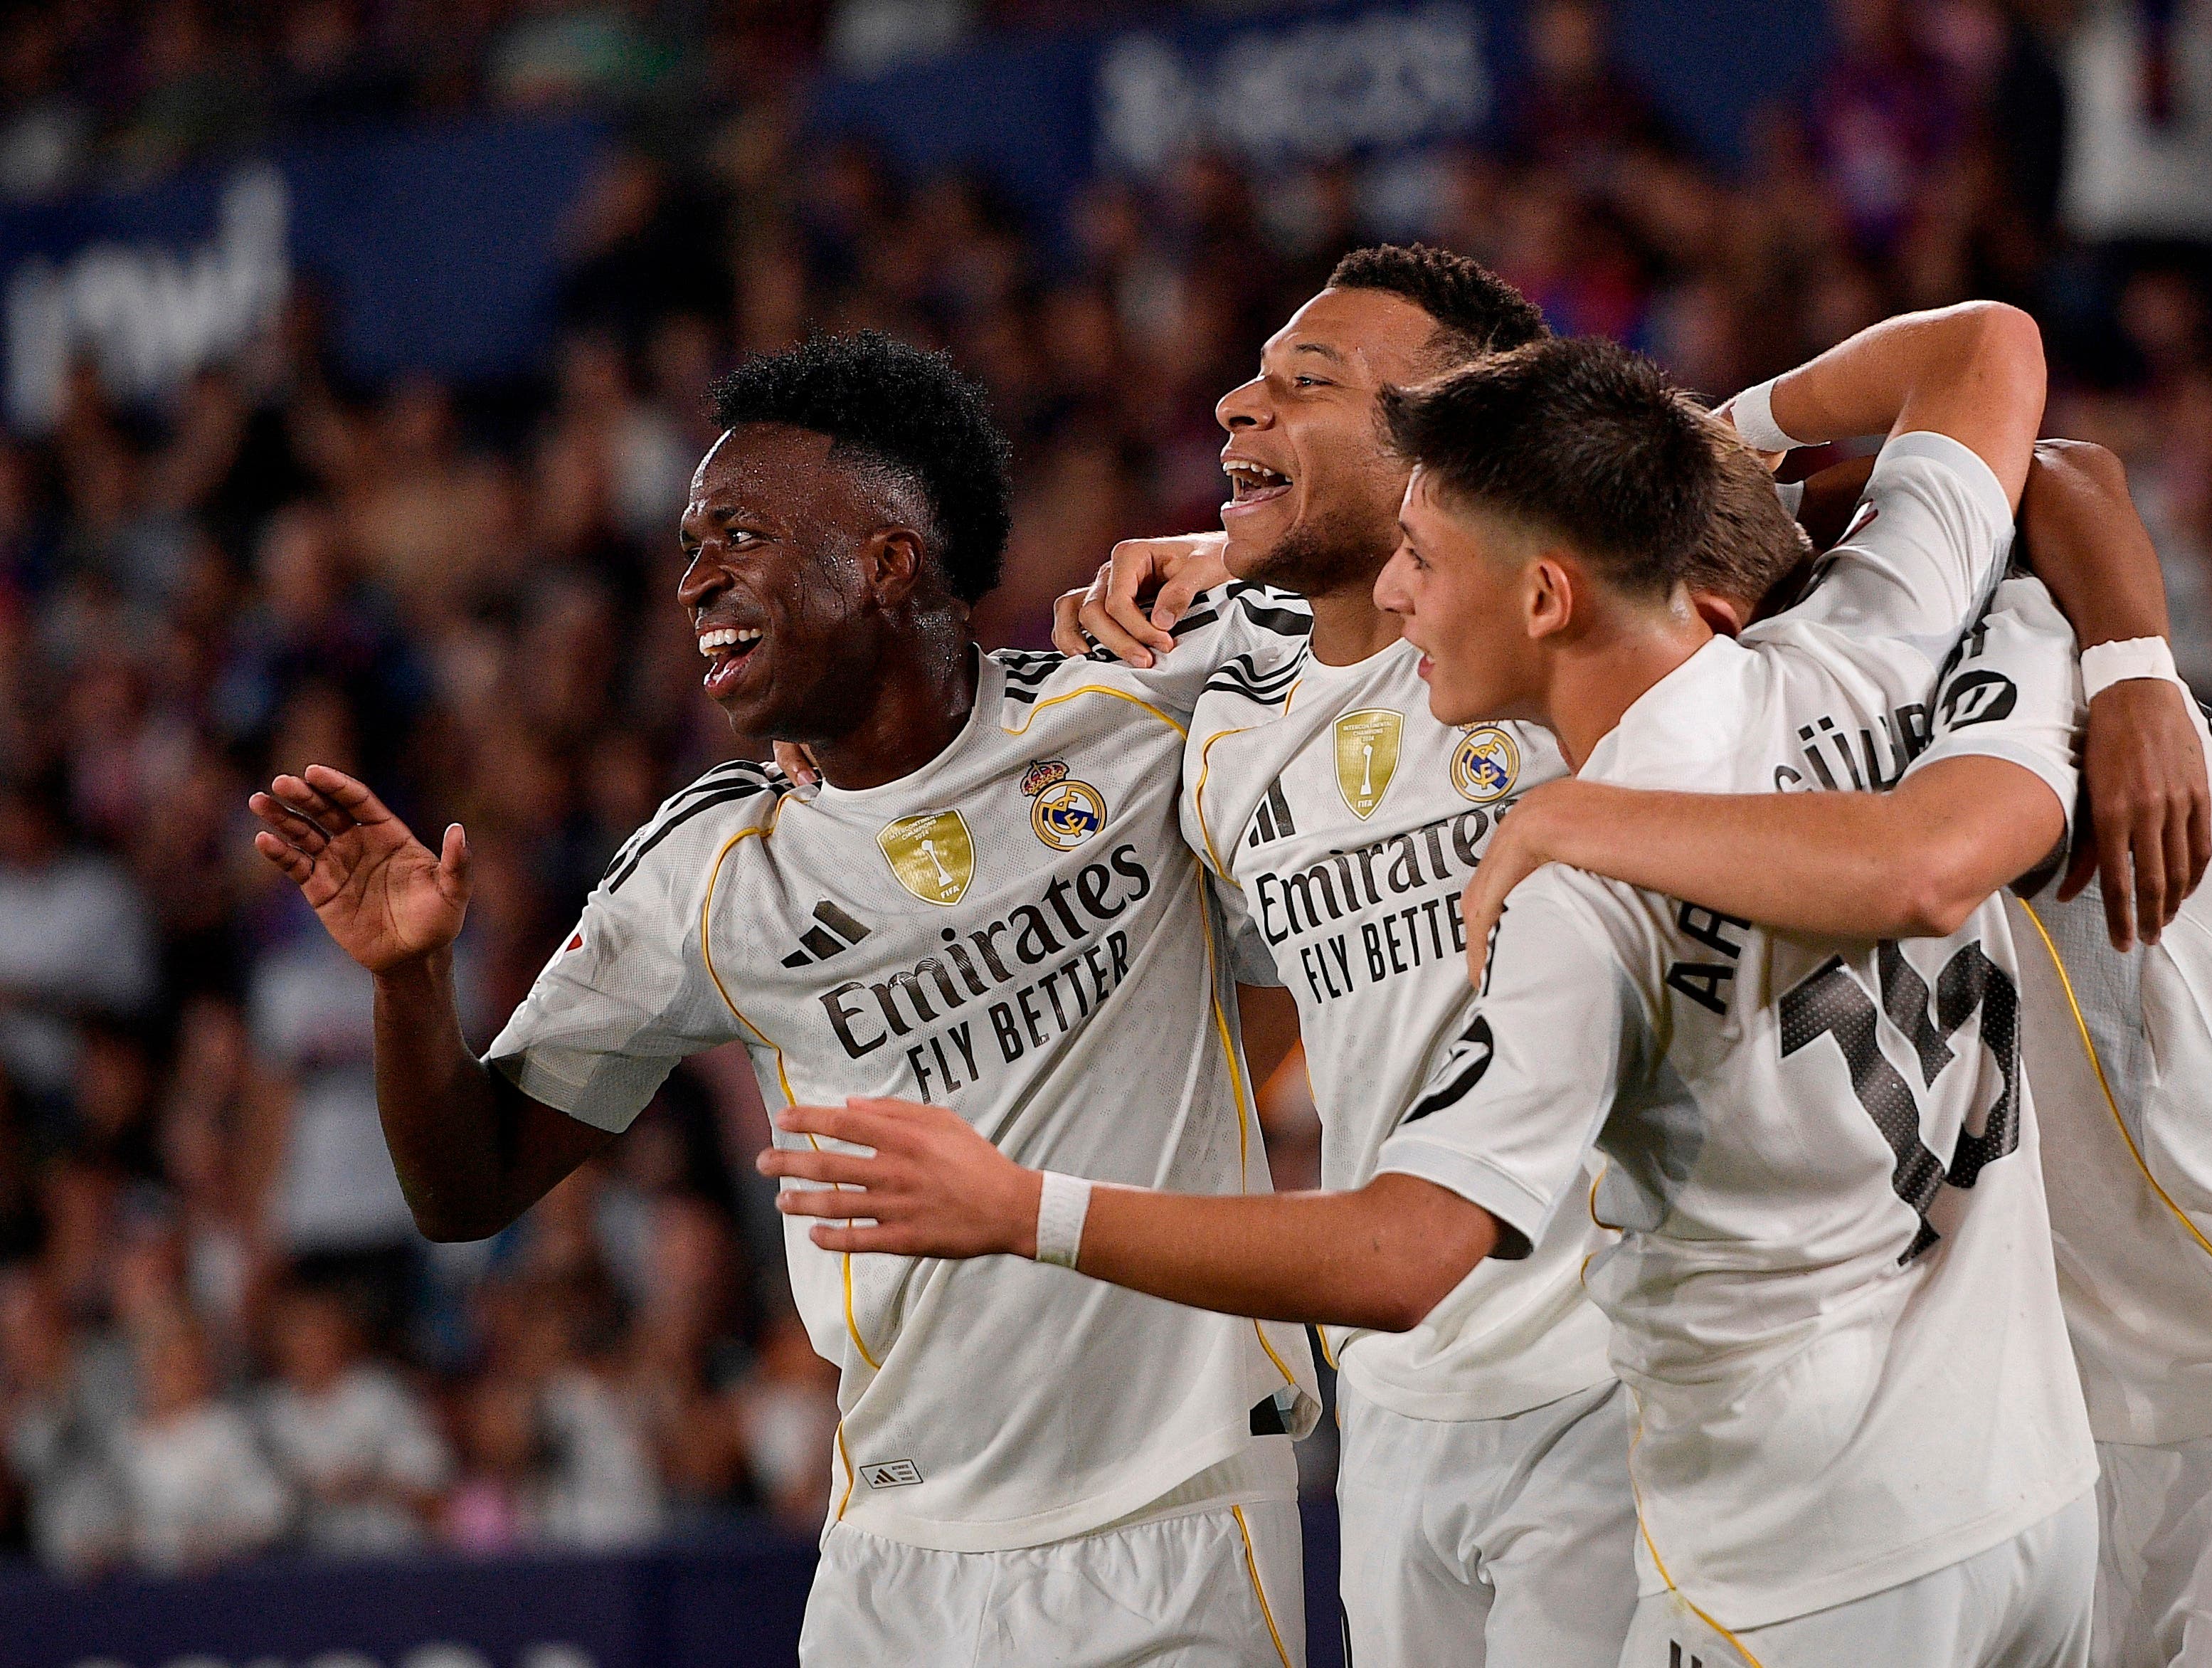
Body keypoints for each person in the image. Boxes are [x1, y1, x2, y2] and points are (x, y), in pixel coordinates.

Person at [763, 315, 2107, 1665]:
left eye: (1422, 557)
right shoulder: (1866, 645)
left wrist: (1021, 1208)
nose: (1397, 600)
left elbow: (1404, 1255)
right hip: (2023, 1493)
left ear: (1542, 600)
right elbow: (1989, 353)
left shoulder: (1574, 907)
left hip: (1795, 1557)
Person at [245, 332, 1318, 1664]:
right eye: (690, 543)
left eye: (737, 535)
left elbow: (1409, 573)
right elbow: (465, 1192)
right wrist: (411, 985)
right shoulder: (705, 874)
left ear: (885, 560)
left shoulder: (1132, 714)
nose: (694, 580)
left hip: (1173, 1520)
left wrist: (1217, 556)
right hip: (892, 1559)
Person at [1461, 440, 2212, 1667]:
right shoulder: (1803, 768)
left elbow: (2056, 467)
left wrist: (2131, 663)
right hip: (2080, 1424)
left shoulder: (2022, 651)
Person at [1102, 243, 1641, 1665]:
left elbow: (1892, 473)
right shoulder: (1215, 710)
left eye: (1305, 381)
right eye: (1255, 376)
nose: (1235, 403)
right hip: (1393, 1399)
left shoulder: (1573, 617)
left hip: (1617, 1368)